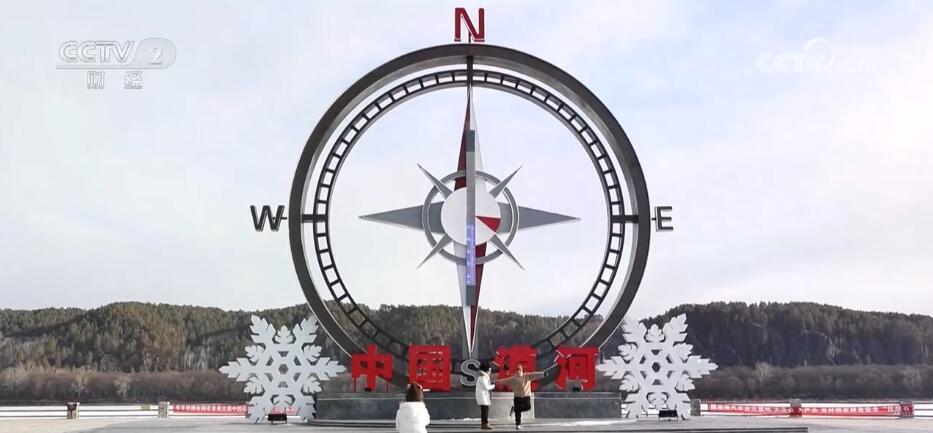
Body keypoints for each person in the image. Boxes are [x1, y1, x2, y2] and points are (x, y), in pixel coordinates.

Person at [495, 364, 544, 430]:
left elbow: (503, 381)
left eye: (519, 369)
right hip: (522, 396)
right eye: (519, 369)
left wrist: (496, 382)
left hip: (521, 396)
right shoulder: (520, 377)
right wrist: (543, 374)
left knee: (522, 409)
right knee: (524, 409)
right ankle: (517, 423)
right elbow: (535, 375)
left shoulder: (522, 376)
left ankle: (516, 414)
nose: (519, 371)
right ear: (520, 370)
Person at [475, 362, 496, 430]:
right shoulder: (483, 377)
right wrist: (494, 386)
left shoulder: (484, 377)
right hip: (483, 397)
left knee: (485, 410)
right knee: (485, 411)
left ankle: (485, 423)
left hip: (483, 396)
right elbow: (486, 387)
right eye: (489, 370)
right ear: (486, 370)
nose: (490, 372)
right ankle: (484, 424)